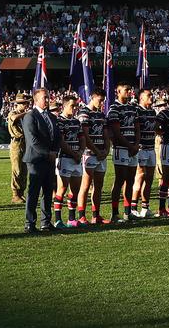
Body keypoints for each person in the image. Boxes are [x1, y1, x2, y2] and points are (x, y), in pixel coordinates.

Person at [22, 88, 60, 234]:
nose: (48, 100)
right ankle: (29, 223)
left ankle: (46, 222)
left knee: (48, 191)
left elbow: (56, 137)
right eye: (45, 97)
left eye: (48, 97)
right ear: (36, 100)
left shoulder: (52, 117)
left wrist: (54, 152)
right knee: (34, 192)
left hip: (49, 160)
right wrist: (48, 153)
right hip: (35, 160)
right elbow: (33, 141)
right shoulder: (30, 117)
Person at [106, 83, 139, 223]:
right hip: (121, 148)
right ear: (118, 92)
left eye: (129, 89)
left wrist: (136, 144)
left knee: (130, 180)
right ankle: (114, 213)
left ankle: (127, 211)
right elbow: (116, 132)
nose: (129, 92)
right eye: (126, 90)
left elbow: (137, 127)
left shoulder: (133, 108)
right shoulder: (114, 108)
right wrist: (130, 146)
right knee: (120, 180)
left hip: (133, 148)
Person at [77, 90, 109, 224]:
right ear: (92, 98)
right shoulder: (84, 113)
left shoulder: (101, 114)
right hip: (89, 154)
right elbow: (85, 136)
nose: (102, 103)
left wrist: (106, 149)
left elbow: (106, 134)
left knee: (99, 185)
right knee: (85, 185)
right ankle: (82, 215)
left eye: (103, 100)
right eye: (100, 100)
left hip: (101, 155)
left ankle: (96, 215)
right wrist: (96, 150)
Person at [54, 95, 84, 228]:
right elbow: (61, 141)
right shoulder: (59, 121)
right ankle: (58, 219)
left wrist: (80, 152)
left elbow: (82, 138)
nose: (75, 108)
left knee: (75, 190)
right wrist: (74, 154)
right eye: (72, 106)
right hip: (65, 158)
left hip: (77, 159)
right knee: (62, 188)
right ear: (64, 106)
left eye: (76, 105)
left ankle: (71, 219)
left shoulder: (77, 122)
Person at [131, 88, 159, 218]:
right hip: (141, 149)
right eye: (148, 95)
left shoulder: (152, 111)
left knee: (149, 179)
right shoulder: (137, 111)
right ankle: (133, 207)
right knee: (140, 176)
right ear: (141, 98)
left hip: (151, 148)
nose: (151, 97)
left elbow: (155, 129)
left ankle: (145, 207)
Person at [6, 94, 28, 203]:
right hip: (16, 143)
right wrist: (25, 114)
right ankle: (15, 194)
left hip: (25, 143)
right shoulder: (13, 113)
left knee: (24, 170)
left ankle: (21, 193)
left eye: (26, 103)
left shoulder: (24, 114)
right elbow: (13, 118)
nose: (26, 105)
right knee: (17, 169)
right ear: (17, 104)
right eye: (24, 103)